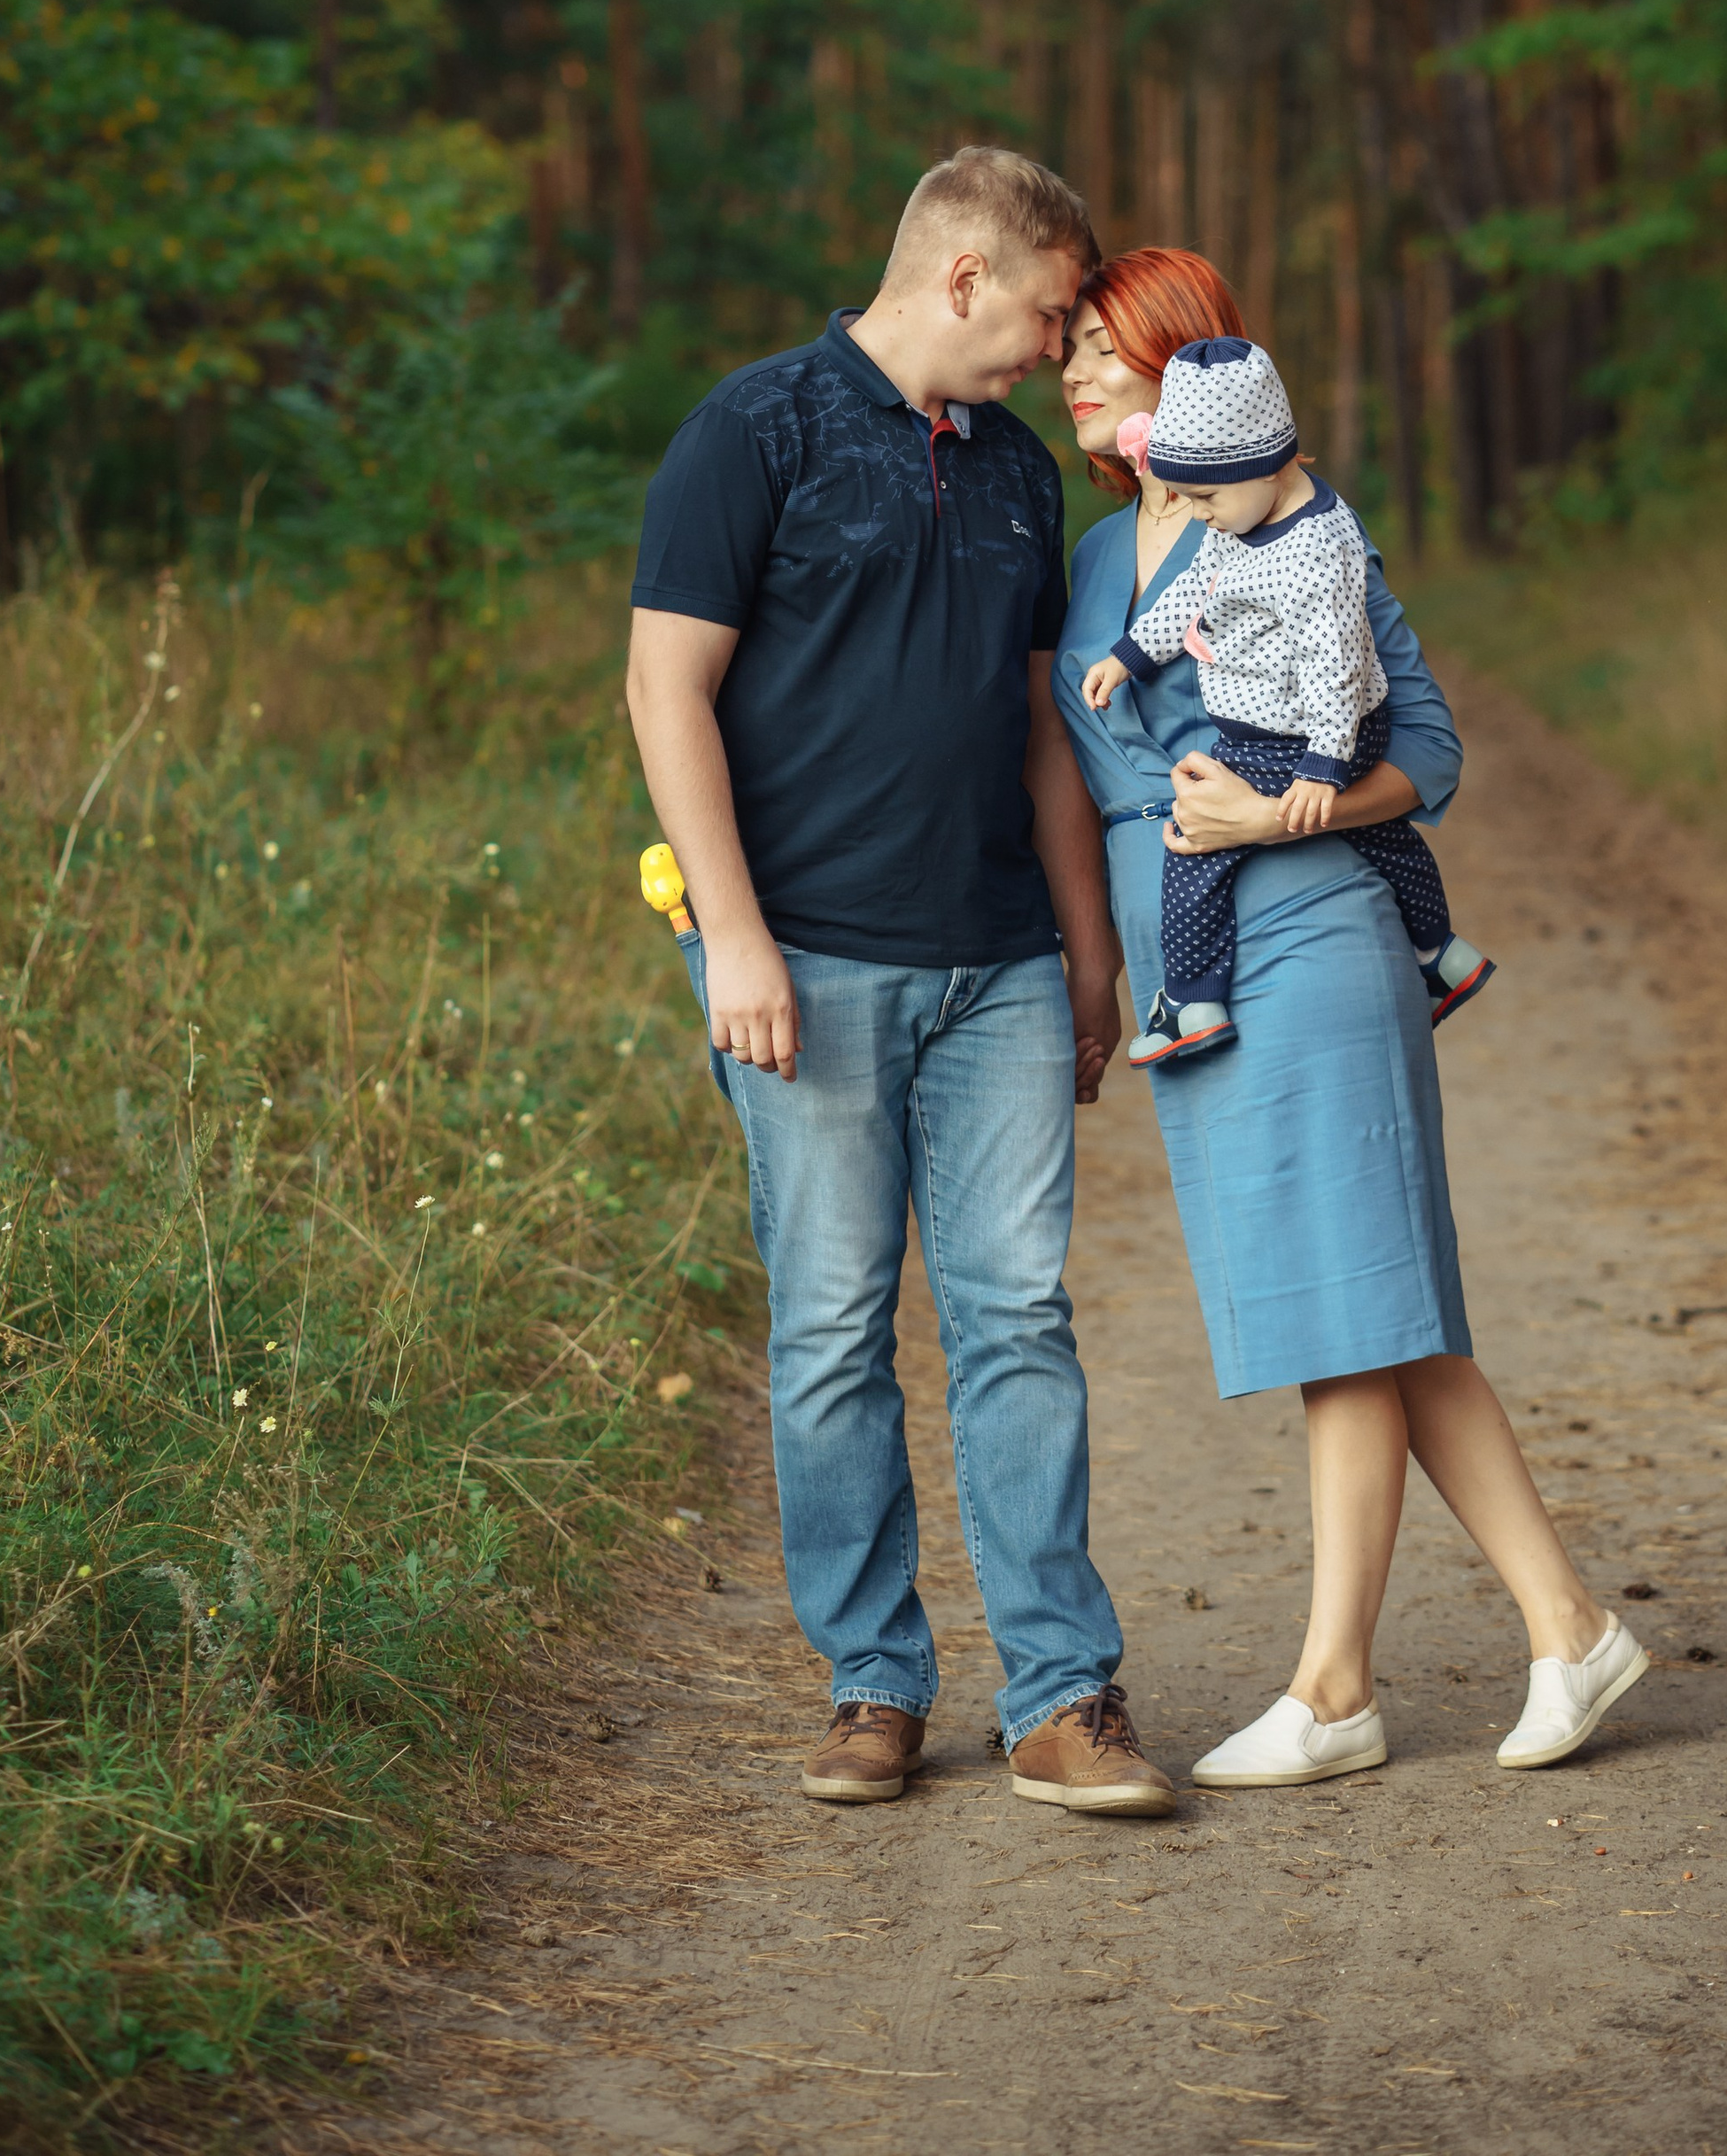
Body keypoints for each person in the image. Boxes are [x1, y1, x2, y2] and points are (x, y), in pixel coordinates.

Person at [624, 149, 1177, 1820]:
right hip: (807, 962)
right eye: (1049, 311)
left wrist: (1088, 952)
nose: (1058, 346)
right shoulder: (756, 429)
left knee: (1017, 1319)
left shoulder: (1017, 475)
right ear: (962, 277)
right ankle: (875, 1683)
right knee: (830, 1331)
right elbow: (665, 689)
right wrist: (733, 937)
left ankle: (1062, 1697)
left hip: (1000, 965)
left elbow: (1044, 735)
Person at [1058, 248, 1645, 1788]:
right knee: (1376, 1313)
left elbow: (1427, 751)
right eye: (1070, 348)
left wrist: (1275, 816)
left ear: (1186, 369)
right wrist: (1089, 961)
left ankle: (1334, 1691)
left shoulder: (1301, 537)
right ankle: (1567, 1626)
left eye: (1105, 347)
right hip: (1188, 963)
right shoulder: (1096, 559)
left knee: (1348, 1319)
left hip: (1307, 939)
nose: (1076, 373)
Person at [1078, 332, 1491, 1066]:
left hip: (1296, 739)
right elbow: (1193, 593)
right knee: (1385, 837)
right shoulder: (1241, 518)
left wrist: (1321, 767)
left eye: (1206, 497)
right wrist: (1130, 654)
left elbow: (1337, 667)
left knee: (1196, 842)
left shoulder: (1314, 552)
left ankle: (1191, 1000)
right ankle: (1440, 954)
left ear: (1265, 464)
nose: (1198, 515)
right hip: (1299, 734)